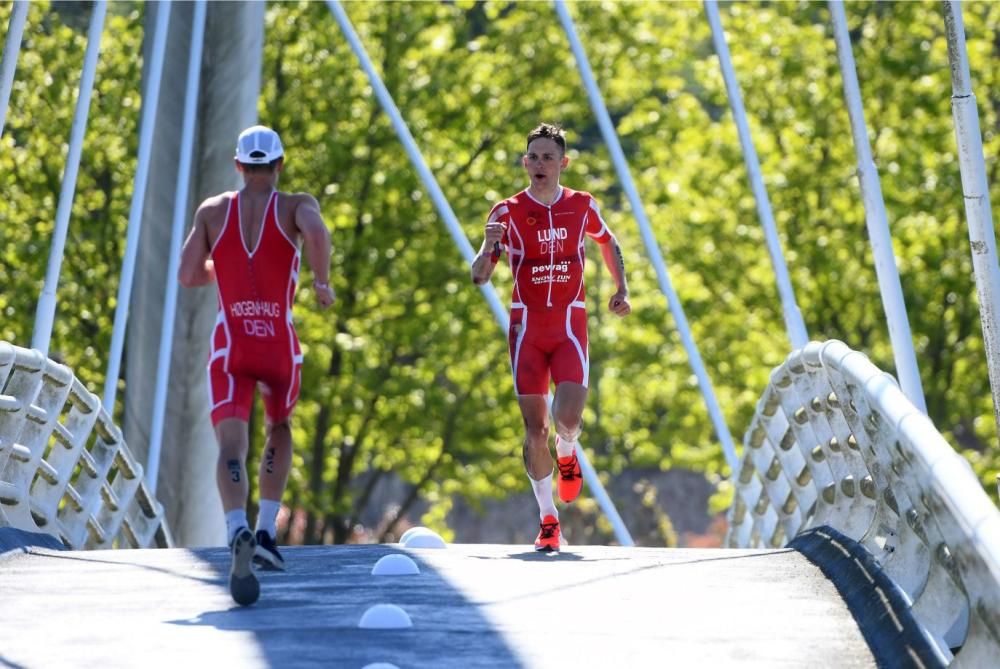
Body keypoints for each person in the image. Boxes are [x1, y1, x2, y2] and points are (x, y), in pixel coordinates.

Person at [178, 125, 335, 606]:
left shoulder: (212, 211)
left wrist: (220, 267)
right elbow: (316, 232)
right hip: (277, 340)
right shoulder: (294, 205)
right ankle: (266, 531)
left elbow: (187, 275)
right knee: (279, 426)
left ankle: (236, 530)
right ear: (280, 165)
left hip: (232, 341)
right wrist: (321, 280)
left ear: (239, 165)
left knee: (231, 446)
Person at [470, 123, 631, 552]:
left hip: (568, 325)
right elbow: (479, 277)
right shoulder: (505, 212)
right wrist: (488, 247)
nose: (539, 165)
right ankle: (548, 519)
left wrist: (622, 290)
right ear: (525, 163)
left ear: (563, 163)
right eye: (533, 157)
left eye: (548, 157)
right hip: (526, 330)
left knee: (569, 419)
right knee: (533, 428)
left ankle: (569, 450)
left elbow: (607, 239)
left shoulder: (581, 205)